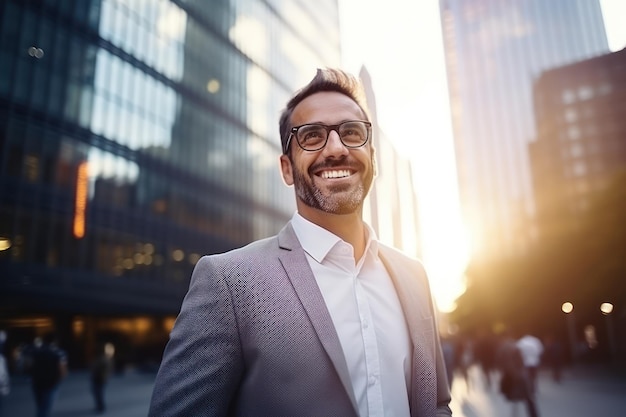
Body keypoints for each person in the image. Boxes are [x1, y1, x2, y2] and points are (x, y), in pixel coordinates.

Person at [148, 68, 452, 416]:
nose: (336, 149)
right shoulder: (228, 282)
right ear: (287, 168)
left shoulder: (415, 276)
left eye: (351, 132)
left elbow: (437, 403)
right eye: (311, 136)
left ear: (373, 158)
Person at [497, 331, 539, 417]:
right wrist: (517, 375)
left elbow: (504, 362)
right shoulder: (514, 346)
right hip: (518, 375)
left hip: (514, 375)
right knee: (528, 398)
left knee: (518, 399)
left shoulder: (505, 347)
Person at [26, 333, 68, 417]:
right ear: (55, 341)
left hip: (37, 382)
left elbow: (28, 365)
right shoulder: (59, 352)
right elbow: (62, 369)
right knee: (45, 408)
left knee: (40, 406)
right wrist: (59, 380)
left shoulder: (36, 351)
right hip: (51, 383)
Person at [90, 343, 115, 413]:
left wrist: (103, 377)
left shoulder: (104, 359)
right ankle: (100, 406)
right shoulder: (104, 358)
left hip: (100, 378)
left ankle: (101, 407)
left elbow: (104, 369)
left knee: (98, 393)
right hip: (100, 378)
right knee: (98, 393)